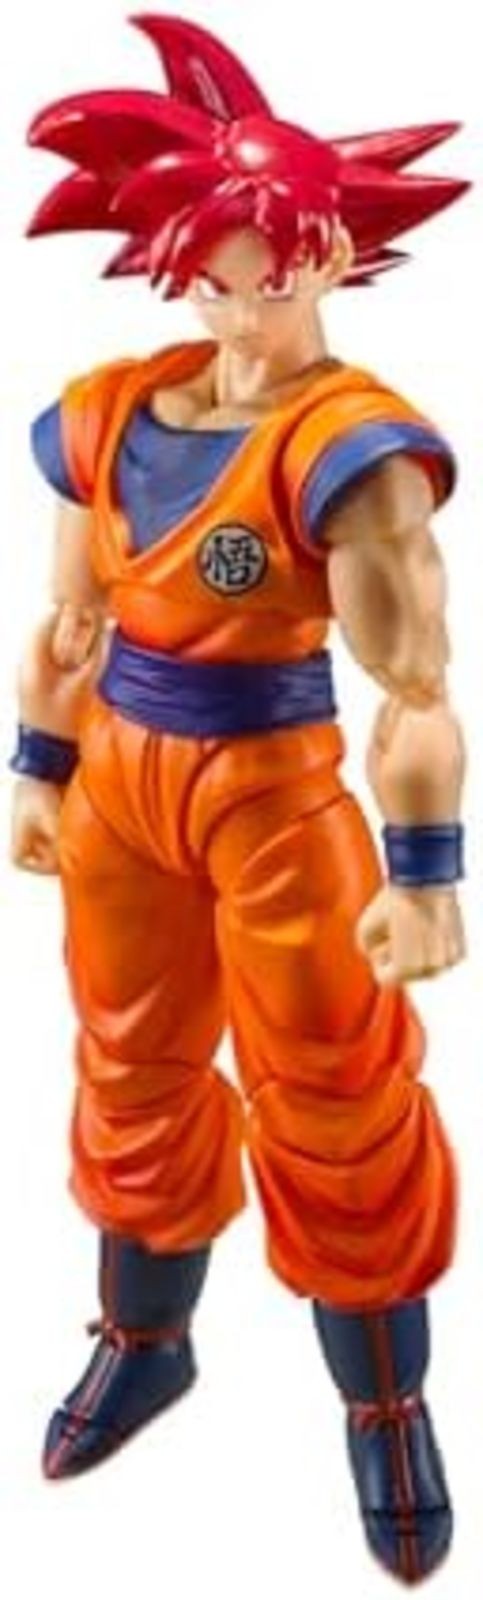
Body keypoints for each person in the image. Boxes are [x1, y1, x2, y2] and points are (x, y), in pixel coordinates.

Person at [11, 13, 467, 1585]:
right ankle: (146, 1340)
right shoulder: (111, 409)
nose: (238, 306)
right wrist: (40, 768)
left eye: (267, 275)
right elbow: (68, 623)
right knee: (128, 1067)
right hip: (123, 790)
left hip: (275, 795)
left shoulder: (352, 449)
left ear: (327, 254)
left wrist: (424, 871)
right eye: (209, 276)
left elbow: (415, 683)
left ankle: (387, 1400)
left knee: (335, 1091)